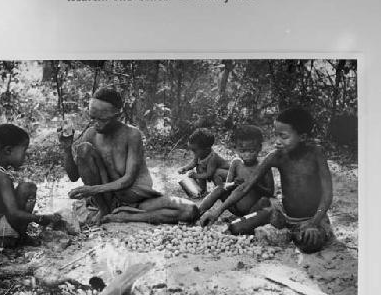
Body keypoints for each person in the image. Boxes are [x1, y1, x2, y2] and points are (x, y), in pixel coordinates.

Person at [200, 107, 334, 253]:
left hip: (313, 217)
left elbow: (327, 194)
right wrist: (216, 212)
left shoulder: (316, 153)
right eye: (276, 135)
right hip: (284, 216)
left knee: (307, 243)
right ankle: (285, 230)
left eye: (283, 136)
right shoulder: (275, 156)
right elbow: (245, 187)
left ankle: (297, 232)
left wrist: (314, 222)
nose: (277, 142)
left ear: (302, 137)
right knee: (235, 227)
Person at [60, 87, 198, 224]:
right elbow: (73, 177)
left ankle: (127, 216)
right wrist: (66, 148)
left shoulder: (132, 135)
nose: (96, 124)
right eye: (92, 118)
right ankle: (104, 210)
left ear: (117, 116)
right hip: (106, 199)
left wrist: (93, 189)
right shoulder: (91, 134)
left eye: (102, 119)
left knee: (190, 210)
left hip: (135, 199)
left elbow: (128, 180)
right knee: (83, 149)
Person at [0, 124, 61, 248]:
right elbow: (14, 213)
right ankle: (19, 238)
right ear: (8, 151)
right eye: (24, 151)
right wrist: (40, 218)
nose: (26, 156)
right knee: (28, 188)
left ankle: (16, 235)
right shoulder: (2, 178)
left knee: (24, 188)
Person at [197, 124, 274, 218]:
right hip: (234, 207)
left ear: (259, 148)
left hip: (253, 209)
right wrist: (234, 183)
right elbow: (227, 185)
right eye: (242, 151)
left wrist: (254, 185)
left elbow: (270, 192)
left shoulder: (263, 166)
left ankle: (246, 221)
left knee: (265, 201)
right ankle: (197, 213)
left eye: (251, 151)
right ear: (236, 149)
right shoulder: (236, 163)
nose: (247, 155)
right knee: (219, 188)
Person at [178, 128, 230, 196]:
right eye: (192, 150)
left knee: (216, 173)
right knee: (199, 167)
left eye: (194, 150)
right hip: (212, 173)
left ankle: (222, 191)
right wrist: (185, 168)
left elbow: (209, 174)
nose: (193, 153)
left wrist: (196, 176)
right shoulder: (199, 154)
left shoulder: (212, 158)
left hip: (227, 176)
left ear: (207, 149)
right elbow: (193, 163)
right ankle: (202, 191)